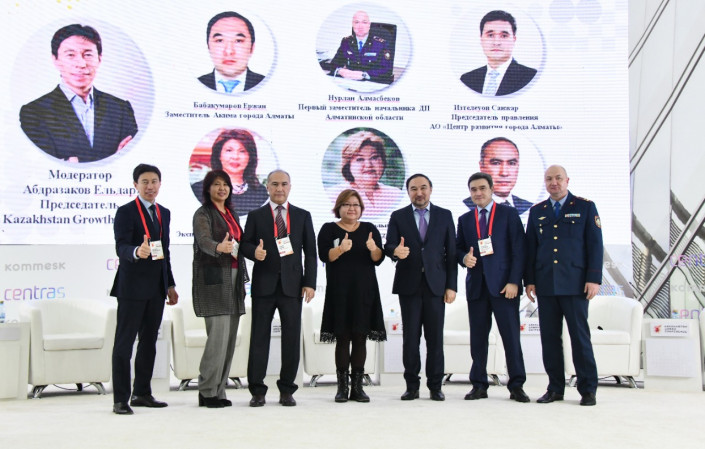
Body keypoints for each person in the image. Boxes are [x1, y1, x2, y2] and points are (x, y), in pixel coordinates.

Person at [525, 165, 602, 406]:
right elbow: (531, 249)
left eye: (558, 178)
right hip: (546, 285)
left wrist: (594, 278)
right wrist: (530, 280)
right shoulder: (537, 211)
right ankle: (555, 388)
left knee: (580, 338)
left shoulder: (585, 207)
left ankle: (588, 390)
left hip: (576, 285)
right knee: (549, 339)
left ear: (567, 180)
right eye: (549, 179)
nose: (554, 182)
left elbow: (595, 245)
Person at [240, 169, 317, 407]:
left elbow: (310, 253)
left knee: (291, 339)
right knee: (259, 339)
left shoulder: (303, 216)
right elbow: (244, 244)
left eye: (284, 184)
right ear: (267, 187)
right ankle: (257, 391)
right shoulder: (256, 215)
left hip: (292, 287)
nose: (279, 188)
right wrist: (254, 252)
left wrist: (309, 283)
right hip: (263, 286)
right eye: (274, 184)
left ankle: (287, 390)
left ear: (290, 187)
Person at [110, 164, 178, 415]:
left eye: (154, 181)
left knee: (149, 343)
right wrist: (137, 251)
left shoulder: (164, 213)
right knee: (124, 344)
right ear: (135, 185)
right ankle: (120, 399)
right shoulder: (126, 212)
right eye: (145, 182)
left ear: (160, 184)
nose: (150, 186)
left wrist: (169, 284)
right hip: (131, 288)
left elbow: (164, 251)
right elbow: (121, 246)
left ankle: (142, 393)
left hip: (156, 289)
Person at [456, 172, 529, 402]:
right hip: (477, 288)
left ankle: (516, 385)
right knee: (478, 339)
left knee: (510, 338)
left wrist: (514, 281)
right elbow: (458, 249)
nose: (478, 193)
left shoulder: (508, 214)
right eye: (473, 189)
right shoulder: (465, 220)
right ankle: (479, 385)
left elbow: (520, 250)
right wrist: (463, 258)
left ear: (491, 189)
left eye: (482, 188)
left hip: (504, 287)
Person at [384, 174, 457, 401]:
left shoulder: (445, 215)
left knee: (435, 339)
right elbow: (389, 245)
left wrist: (451, 286)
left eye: (423, 187)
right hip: (409, 285)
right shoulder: (398, 216)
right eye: (414, 188)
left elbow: (451, 253)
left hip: (436, 286)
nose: (419, 192)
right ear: (408, 192)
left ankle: (435, 386)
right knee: (411, 339)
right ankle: (412, 386)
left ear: (430, 190)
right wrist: (395, 251)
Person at [20, 24, 138, 162]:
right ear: (56, 60)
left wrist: (74, 160)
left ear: (99, 59)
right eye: (70, 55)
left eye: (88, 55)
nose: (81, 64)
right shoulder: (34, 113)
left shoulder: (121, 109)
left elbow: (131, 160)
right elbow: (42, 164)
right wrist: (112, 157)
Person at [318, 189, 387, 403]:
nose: (351, 208)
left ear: (361, 208)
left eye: (356, 205)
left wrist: (374, 248)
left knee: (360, 338)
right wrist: (340, 249)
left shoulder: (369, 229)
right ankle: (342, 388)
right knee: (342, 338)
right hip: (339, 292)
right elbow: (325, 256)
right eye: (347, 204)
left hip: (365, 292)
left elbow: (378, 259)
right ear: (338, 207)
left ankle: (357, 388)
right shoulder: (329, 229)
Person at [192, 170, 247, 408]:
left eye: (225, 184)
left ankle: (219, 390)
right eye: (216, 184)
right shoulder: (202, 213)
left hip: (234, 279)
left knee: (229, 339)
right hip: (214, 280)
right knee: (217, 338)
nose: (222, 188)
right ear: (208, 188)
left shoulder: (232, 213)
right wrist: (218, 247)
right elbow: (203, 240)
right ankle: (206, 390)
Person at [326, 130, 403, 217]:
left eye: (374, 157)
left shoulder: (396, 194)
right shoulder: (333, 196)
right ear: (348, 165)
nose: (368, 165)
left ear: (382, 161)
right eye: (360, 159)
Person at [191, 129, 268, 215]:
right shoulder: (199, 189)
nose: (235, 157)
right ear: (219, 155)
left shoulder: (261, 193)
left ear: (250, 157)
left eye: (242, 151)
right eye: (229, 150)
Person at [460, 10, 537, 96]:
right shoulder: (467, 79)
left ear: (514, 39)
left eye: (504, 36)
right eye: (490, 35)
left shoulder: (531, 77)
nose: (496, 42)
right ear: (481, 39)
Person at [199, 11, 264, 93]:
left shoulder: (267, 84)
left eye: (238, 41)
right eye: (220, 40)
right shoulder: (194, 85)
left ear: (252, 48)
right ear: (208, 47)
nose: (229, 51)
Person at [463, 137, 532, 214]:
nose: (504, 173)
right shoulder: (466, 206)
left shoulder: (528, 207)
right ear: (482, 166)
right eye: (496, 163)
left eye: (512, 163)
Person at [329, 10, 394, 83]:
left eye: (364, 22)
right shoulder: (346, 42)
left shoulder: (381, 44)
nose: (360, 26)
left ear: (369, 25)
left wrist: (364, 75)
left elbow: (386, 70)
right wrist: (340, 71)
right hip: (349, 82)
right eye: (357, 22)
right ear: (353, 25)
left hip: (371, 84)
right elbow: (333, 64)